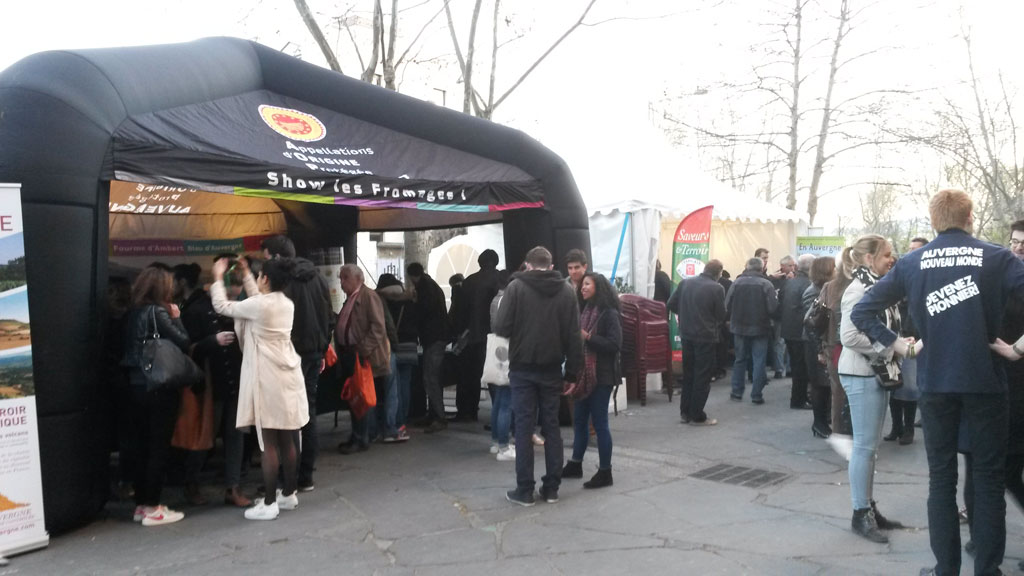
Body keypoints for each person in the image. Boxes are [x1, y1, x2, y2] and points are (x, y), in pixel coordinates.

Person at [855, 191, 1024, 576]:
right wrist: (1017, 349)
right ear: (970, 217)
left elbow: (863, 311)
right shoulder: (996, 257)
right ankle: (987, 570)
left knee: (941, 479)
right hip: (986, 383)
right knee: (989, 479)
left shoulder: (913, 262)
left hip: (936, 384)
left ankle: (945, 569)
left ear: (933, 222)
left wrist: (900, 345)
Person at [211, 256, 309, 521]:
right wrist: (246, 274)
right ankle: (288, 494)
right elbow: (258, 300)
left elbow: (222, 306)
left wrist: (218, 277)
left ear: (265, 278)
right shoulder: (285, 303)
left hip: (267, 377)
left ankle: (269, 503)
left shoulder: (259, 305)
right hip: (287, 373)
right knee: (287, 438)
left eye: (258, 275)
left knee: (268, 443)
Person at [494, 246, 583, 506]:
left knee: (524, 428)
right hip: (553, 368)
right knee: (551, 427)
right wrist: (572, 372)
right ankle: (552, 488)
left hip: (522, 368)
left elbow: (501, 327)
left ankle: (524, 490)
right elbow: (574, 335)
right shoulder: (566, 291)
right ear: (551, 265)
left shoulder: (516, 288)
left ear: (528, 265)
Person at [837, 234, 909, 544]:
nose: (892, 259)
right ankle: (860, 513)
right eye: (886, 255)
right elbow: (849, 337)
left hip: (871, 373)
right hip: (863, 374)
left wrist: (895, 344)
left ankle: (866, 508)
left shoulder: (873, 287)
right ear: (869, 259)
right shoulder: (858, 290)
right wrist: (892, 347)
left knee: (868, 449)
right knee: (865, 449)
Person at [174, 261, 251, 508]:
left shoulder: (239, 307)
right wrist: (211, 342)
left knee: (236, 435)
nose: (235, 294)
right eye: (232, 288)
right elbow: (187, 349)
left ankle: (233, 487)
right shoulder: (197, 310)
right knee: (204, 437)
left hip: (236, 381)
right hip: (209, 385)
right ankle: (191, 483)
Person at [120, 265, 191, 526]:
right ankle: (153, 507)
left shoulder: (131, 313)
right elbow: (184, 341)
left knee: (141, 447)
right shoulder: (158, 312)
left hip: (135, 385)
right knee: (158, 448)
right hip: (159, 386)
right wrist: (177, 317)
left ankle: (141, 505)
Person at [261, 236, 332, 493]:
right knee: (307, 413)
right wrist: (322, 349)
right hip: (313, 352)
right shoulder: (318, 278)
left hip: (289, 354)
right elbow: (329, 316)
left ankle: (286, 478)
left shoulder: (283, 282)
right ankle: (305, 475)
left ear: (277, 257)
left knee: (286, 417)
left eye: (267, 258)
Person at [561, 272, 621, 488]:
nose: (583, 287)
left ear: (599, 288)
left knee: (600, 423)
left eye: (587, 284)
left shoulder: (609, 313)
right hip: (583, 375)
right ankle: (575, 463)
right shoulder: (585, 310)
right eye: (582, 285)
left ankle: (605, 471)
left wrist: (588, 337)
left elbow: (614, 344)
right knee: (579, 421)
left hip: (602, 376)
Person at [335, 264, 392, 453]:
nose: (342, 282)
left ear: (358, 278)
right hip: (349, 353)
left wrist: (363, 350)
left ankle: (361, 437)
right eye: (341, 278)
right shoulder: (351, 298)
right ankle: (357, 435)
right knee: (354, 397)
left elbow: (378, 327)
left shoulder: (368, 296)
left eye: (345, 278)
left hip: (361, 356)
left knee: (361, 397)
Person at [667, 259, 726, 425]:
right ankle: (697, 415)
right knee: (702, 376)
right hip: (706, 336)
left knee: (689, 374)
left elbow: (671, 304)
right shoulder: (717, 288)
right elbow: (721, 314)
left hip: (686, 334)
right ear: (719, 273)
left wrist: (685, 313)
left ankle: (685, 412)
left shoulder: (685, 283)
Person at [885, 238, 928, 446]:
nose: (910, 252)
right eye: (909, 249)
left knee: (909, 387)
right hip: (895, 336)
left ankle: (908, 428)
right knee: (894, 384)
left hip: (914, 339)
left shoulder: (926, 277)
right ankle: (896, 427)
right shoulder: (900, 274)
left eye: (915, 249)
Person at [453, 249, 501, 422]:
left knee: (468, 376)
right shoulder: (499, 279)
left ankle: (467, 411)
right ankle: (498, 415)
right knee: (496, 377)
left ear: (480, 262)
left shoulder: (469, 281)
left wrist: (460, 333)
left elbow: (459, 311)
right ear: (495, 262)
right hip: (493, 336)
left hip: (470, 335)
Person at [726, 257, 779, 404]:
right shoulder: (766, 284)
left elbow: (727, 304)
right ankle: (756, 395)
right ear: (762, 268)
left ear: (747, 267)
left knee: (739, 359)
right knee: (759, 361)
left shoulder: (736, 283)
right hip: (761, 327)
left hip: (739, 327)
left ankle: (736, 392)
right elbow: (773, 308)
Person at [406, 262, 450, 432]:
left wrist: (413, 302)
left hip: (433, 338)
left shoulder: (425, 288)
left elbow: (424, 311)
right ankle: (433, 414)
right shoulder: (431, 285)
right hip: (436, 337)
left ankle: (439, 417)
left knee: (431, 378)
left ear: (412, 276)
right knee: (431, 377)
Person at [377, 273, 414, 441]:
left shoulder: (381, 299)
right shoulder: (408, 299)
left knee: (392, 387)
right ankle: (402, 421)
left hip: (390, 345)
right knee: (405, 384)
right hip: (409, 344)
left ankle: (392, 420)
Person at [803, 255, 836, 438]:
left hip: (821, 343)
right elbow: (811, 323)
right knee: (819, 385)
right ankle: (819, 423)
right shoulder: (813, 291)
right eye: (834, 267)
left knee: (824, 385)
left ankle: (823, 421)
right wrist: (819, 350)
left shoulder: (825, 288)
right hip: (815, 344)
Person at [488, 270, 515, 461]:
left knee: (498, 400)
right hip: (508, 352)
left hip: (498, 351)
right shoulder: (508, 301)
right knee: (506, 400)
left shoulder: (495, 300)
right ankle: (504, 445)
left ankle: (496, 441)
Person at [781, 254, 814, 410]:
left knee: (796, 365)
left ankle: (798, 397)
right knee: (802, 367)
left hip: (789, 329)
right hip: (801, 331)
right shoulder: (809, 285)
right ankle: (799, 399)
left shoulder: (789, 283)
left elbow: (781, 303)